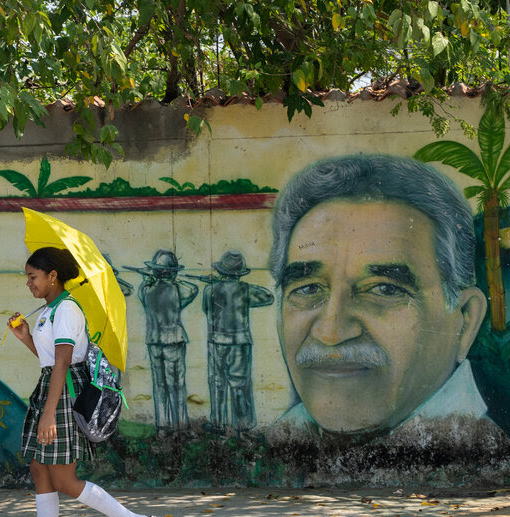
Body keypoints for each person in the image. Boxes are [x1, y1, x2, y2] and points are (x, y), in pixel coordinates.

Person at [269, 153, 498, 442]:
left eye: (385, 289)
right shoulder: (268, 448)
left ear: (465, 323)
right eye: (307, 289)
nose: (331, 332)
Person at [6, 246, 164, 517]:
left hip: (62, 394)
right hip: (52, 386)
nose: (29, 284)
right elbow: (50, 359)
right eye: (27, 278)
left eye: (33, 277)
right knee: (39, 469)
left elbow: (64, 362)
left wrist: (49, 414)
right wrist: (25, 338)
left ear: (52, 276)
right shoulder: (50, 310)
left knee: (63, 479)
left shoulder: (66, 310)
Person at [125, 250, 198, 435]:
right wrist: (174, 279)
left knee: (160, 385)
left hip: (154, 342)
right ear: (172, 272)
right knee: (177, 385)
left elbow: (143, 291)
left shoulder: (146, 289)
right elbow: (193, 290)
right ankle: (181, 425)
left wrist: (152, 278)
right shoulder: (179, 289)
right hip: (174, 340)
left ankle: (163, 427)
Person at [200, 250, 274, 434]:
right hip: (241, 342)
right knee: (240, 384)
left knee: (217, 382)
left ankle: (218, 423)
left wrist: (217, 287)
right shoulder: (246, 289)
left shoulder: (210, 290)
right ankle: (243, 426)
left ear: (221, 271)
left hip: (217, 340)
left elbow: (206, 310)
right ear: (239, 273)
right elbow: (268, 297)